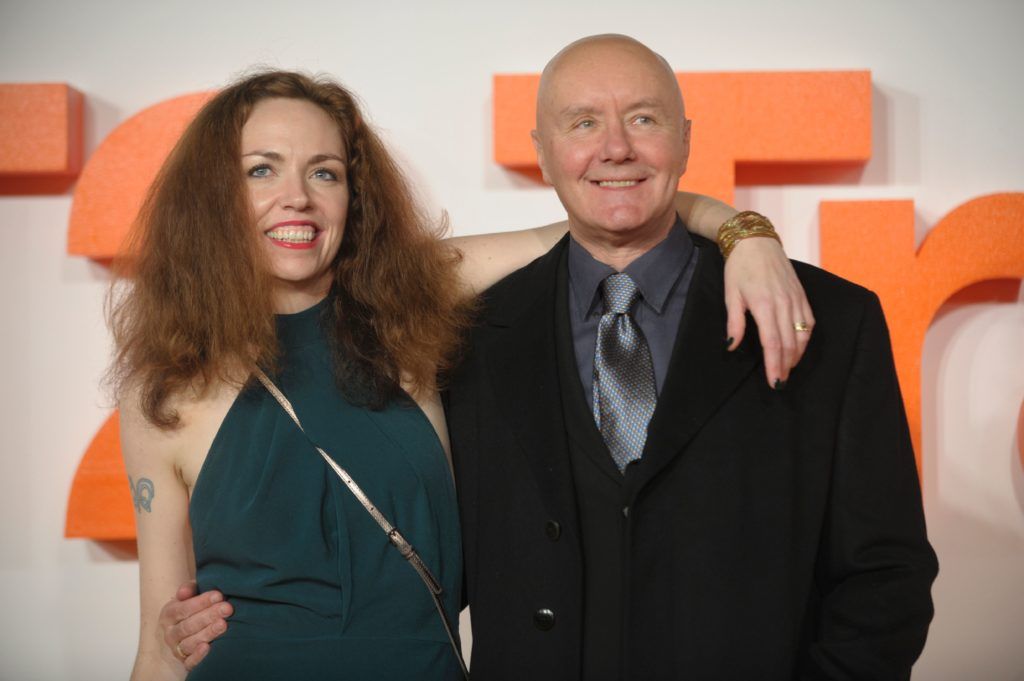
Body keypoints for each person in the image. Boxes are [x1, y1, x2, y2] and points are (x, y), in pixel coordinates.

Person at [117, 69, 809, 679]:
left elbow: (612, 216)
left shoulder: (413, 303)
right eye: (261, 169)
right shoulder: (165, 392)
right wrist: (172, 640)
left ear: (354, 196)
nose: (296, 196)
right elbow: (161, 643)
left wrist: (747, 236)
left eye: (324, 171)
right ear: (213, 196)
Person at [444, 35, 939, 680]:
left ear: (686, 139)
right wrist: (743, 227)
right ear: (542, 152)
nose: (615, 147)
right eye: (583, 122)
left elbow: (884, 573)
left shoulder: (835, 321)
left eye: (644, 119)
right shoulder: (469, 335)